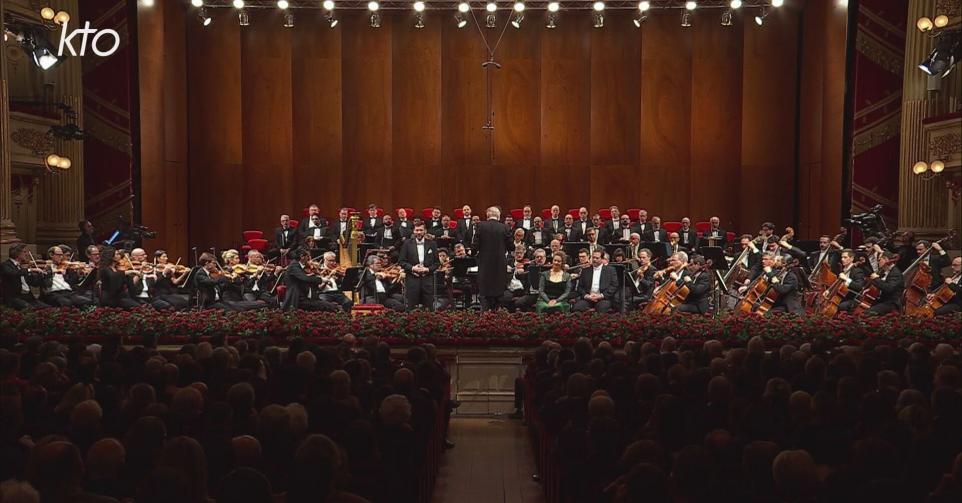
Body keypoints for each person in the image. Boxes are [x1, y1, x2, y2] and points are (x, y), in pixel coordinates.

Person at [473, 207, 513, 310]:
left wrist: (472, 253)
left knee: (485, 293)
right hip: (499, 265)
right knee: (499, 293)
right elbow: (511, 246)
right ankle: (497, 315)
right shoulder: (505, 227)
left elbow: (475, 246)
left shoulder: (480, 226)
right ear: (498, 216)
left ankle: (485, 315)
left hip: (485, 264)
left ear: (487, 215)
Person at [398, 223, 439, 311]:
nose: (419, 232)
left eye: (421, 230)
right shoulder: (407, 244)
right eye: (417, 230)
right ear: (413, 231)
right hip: (412, 279)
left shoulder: (432, 244)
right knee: (412, 307)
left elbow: (437, 263)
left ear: (425, 231)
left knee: (428, 307)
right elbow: (401, 261)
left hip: (427, 279)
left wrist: (427, 269)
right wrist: (413, 268)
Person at [1, 243, 48, 309]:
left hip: (28, 297)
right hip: (14, 298)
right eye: (24, 252)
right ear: (17, 253)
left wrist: (41, 274)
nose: (26, 254)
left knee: (48, 308)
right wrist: (30, 270)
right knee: (31, 309)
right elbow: (13, 273)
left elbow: (34, 284)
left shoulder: (22, 268)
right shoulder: (5, 265)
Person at [866, 251, 904, 315]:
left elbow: (888, 288)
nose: (878, 262)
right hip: (880, 300)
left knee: (868, 313)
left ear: (886, 260)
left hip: (890, 303)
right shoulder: (883, 271)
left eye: (880, 259)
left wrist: (876, 279)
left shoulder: (896, 274)